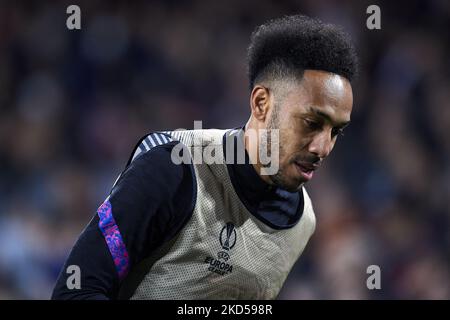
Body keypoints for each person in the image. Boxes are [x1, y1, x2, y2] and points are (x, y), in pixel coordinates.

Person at [52, 14, 357, 300]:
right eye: (311, 123)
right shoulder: (174, 168)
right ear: (262, 103)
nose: (323, 147)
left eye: (336, 132)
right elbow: (76, 291)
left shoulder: (303, 223)